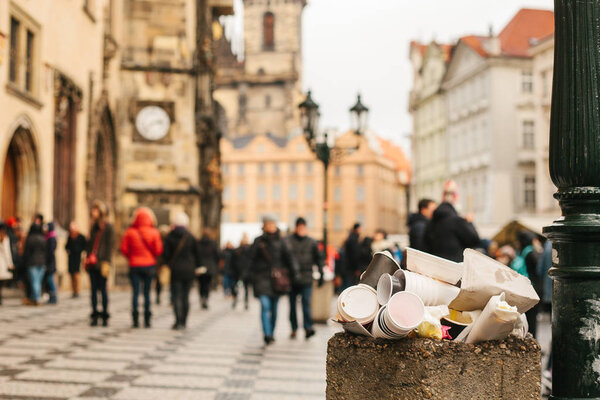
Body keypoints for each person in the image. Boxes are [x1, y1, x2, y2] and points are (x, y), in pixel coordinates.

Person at [249, 215, 299, 345]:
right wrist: (247, 274)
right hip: (262, 278)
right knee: (265, 306)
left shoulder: (282, 242)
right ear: (264, 226)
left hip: (277, 280)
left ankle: (271, 331)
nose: (271, 226)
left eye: (273, 224)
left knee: (275, 307)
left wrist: (295, 272)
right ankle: (267, 333)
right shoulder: (258, 241)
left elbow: (289, 258)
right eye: (268, 224)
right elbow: (250, 259)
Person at [120, 207, 163, 328]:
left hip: (134, 265)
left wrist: (132, 256)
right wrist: (151, 256)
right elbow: (158, 250)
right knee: (147, 293)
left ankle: (135, 318)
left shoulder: (129, 232)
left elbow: (123, 249)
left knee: (135, 292)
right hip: (149, 266)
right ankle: (147, 318)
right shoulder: (154, 232)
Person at [424, 181, 480, 262]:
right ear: (455, 197)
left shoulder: (431, 222)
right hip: (455, 268)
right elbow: (474, 240)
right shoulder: (457, 221)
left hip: (436, 267)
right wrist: (469, 222)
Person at [286, 217, 323, 339]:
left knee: (306, 303)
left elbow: (319, 259)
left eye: (303, 228)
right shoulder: (288, 241)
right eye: (300, 228)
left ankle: (308, 327)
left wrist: (321, 273)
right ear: (296, 228)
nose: (302, 230)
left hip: (307, 278)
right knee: (292, 305)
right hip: (292, 279)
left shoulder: (312, 242)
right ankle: (294, 328)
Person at [162, 212, 199, 330]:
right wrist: (196, 266)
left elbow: (165, 255)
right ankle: (184, 321)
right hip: (189, 271)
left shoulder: (169, 237)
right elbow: (196, 255)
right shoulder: (191, 237)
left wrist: (168, 264)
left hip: (176, 270)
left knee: (177, 296)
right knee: (185, 296)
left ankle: (178, 321)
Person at [86, 201, 115, 326]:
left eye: (95, 210)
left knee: (103, 289)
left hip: (103, 263)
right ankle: (94, 313)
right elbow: (89, 245)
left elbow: (110, 245)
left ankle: (104, 314)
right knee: (93, 290)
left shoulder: (108, 227)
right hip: (92, 264)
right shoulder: (93, 226)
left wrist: (106, 261)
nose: (93, 212)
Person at [511, 231, 542, 338]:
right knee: (531, 318)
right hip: (532, 289)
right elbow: (539, 271)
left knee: (528, 318)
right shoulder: (531, 252)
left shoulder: (524, 253)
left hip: (527, 289)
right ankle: (531, 339)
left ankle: (528, 338)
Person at [24, 215, 46, 305]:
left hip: (32, 262)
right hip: (42, 263)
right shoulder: (43, 239)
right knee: (38, 282)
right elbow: (46, 251)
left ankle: (36, 298)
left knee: (34, 282)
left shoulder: (30, 239)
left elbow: (27, 252)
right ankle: (35, 297)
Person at [197, 228, 220, 310]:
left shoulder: (198, 243)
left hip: (200, 267)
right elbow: (217, 255)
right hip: (210, 267)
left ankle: (202, 297)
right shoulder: (213, 243)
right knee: (207, 284)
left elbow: (196, 255)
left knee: (201, 284)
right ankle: (205, 298)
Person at [65, 222, 86, 298]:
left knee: (76, 274)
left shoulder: (81, 237)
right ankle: (73, 291)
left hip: (78, 257)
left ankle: (77, 290)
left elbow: (84, 246)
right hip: (71, 257)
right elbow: (66, 246)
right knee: (71, 274)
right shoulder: (69, 236)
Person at [233, 233, 252, 310]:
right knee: (237, 287)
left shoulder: (249, 250)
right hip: (239, 272)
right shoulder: (238, 250)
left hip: (245, 272)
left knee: (246, 288)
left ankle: (246, 301)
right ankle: (236, 300)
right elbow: (234, 261)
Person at [342, 223, 362, 288]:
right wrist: (357, 268)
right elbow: (355, 254)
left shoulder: (350, 237)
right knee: (351, 285)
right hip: (351, 267)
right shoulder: (354, 239)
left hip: (348, 266)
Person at [0, 223, 15, 305]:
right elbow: (7, 252)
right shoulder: (5, 238)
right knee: (1, 283)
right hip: (2, 262)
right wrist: (10, 263)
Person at [44, 222, 58, 304]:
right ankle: (51, 297)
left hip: (50, 262)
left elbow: (50, 251)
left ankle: (54, 297)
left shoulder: (51, 238)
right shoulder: (49, 237)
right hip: (49, 262)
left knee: (50, 279)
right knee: (49, 279)